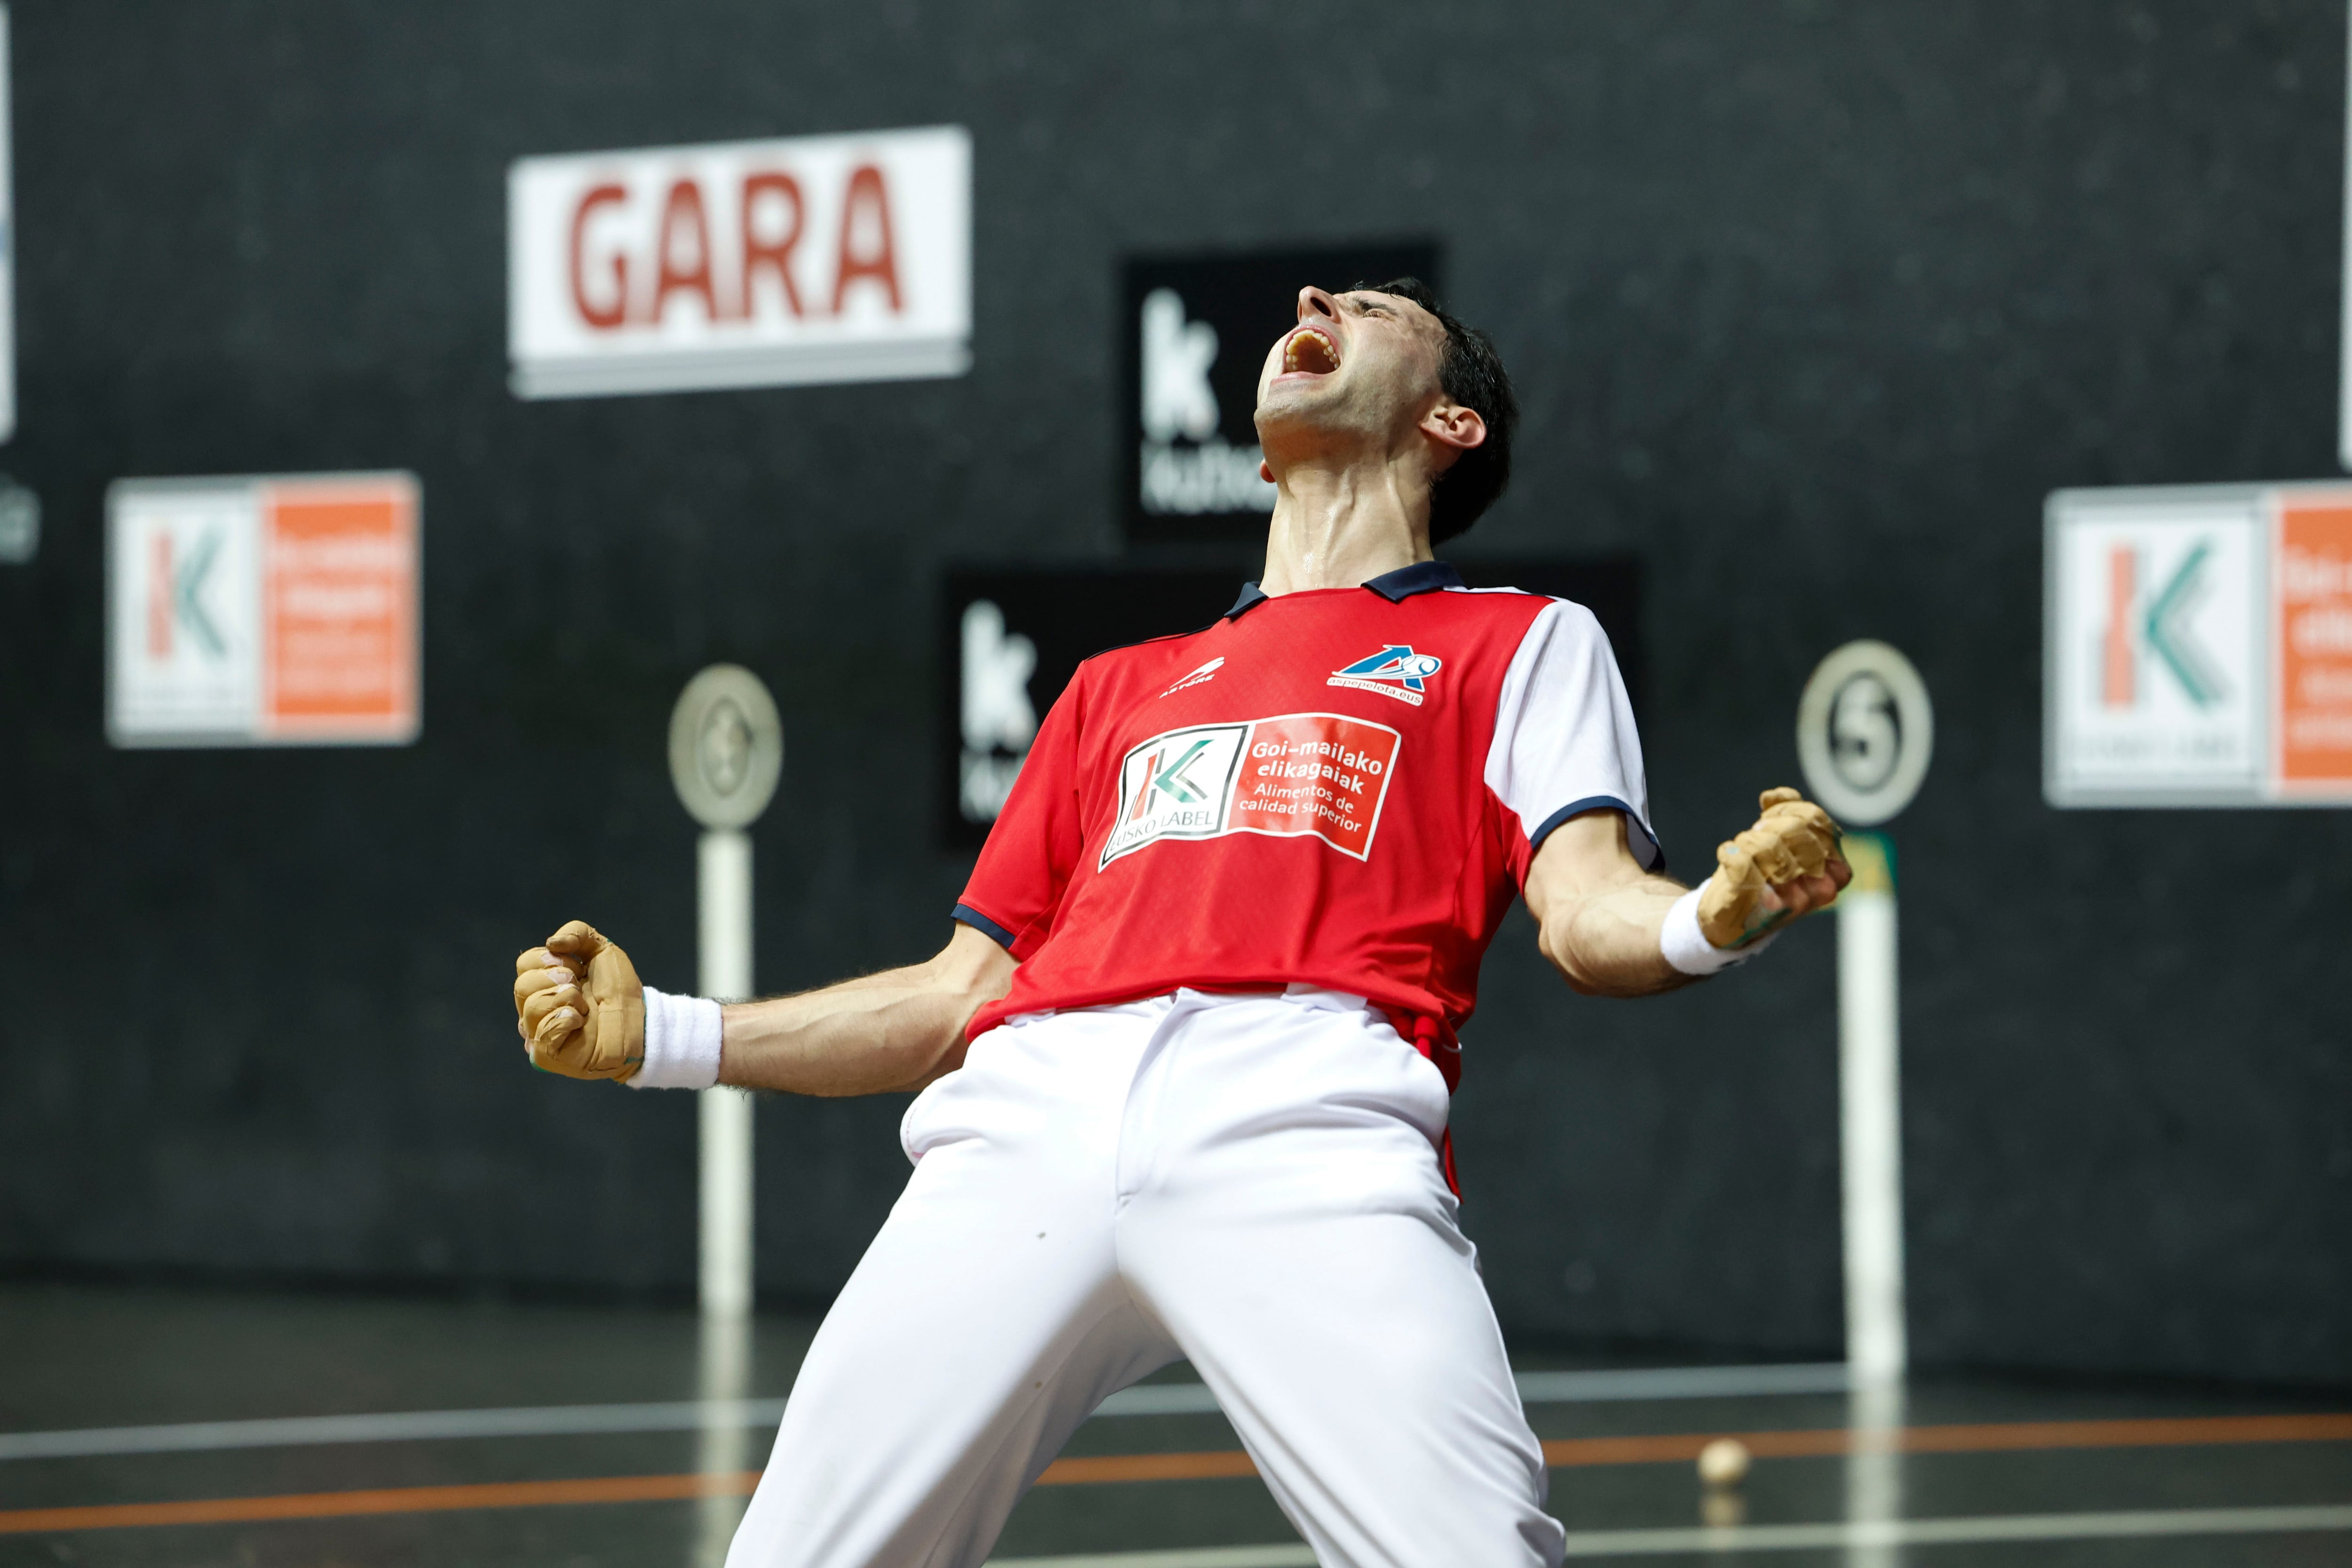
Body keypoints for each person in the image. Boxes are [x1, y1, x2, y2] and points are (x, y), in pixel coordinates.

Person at [511, 279, 1849, 1568]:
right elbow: (959, 996)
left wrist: (1715, 920)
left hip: (1308, 1122)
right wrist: (668, 1035)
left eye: (1372, 312)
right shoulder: (1113, 690)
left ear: (1452, 424)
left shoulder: (1522, 641)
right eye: (1309, 308)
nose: (1315, 305)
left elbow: (1588, 910)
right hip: (1027, 1124)